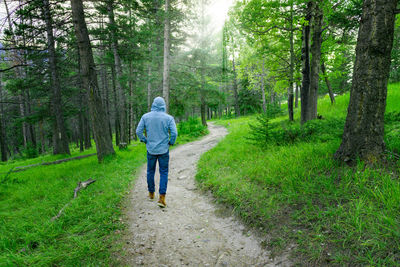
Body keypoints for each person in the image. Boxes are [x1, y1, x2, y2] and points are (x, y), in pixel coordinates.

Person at [136, 97, 178, 208]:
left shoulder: (145, 117)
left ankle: (151, 194)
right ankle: (162, 198)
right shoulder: (168, 118)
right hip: (164, 149)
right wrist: (171, 142)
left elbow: (138, 131)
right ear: (163, 105)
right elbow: (174, 133)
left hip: (151, 149)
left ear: (153, 105)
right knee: (163, 172)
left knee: (150, 171)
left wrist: (145, 140)